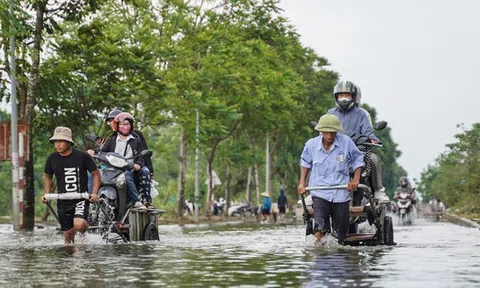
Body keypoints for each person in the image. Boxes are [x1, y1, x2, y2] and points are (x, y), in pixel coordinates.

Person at [298, 114, 364, 244]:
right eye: (327, 133)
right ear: (321, 131)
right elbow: (305, 163)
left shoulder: (346, 142)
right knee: (320, 227)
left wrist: (355, 179)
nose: (330, 136)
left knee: (340, 235)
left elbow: (358, 159)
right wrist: (302, 183)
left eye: (333, 133)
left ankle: (338, 253)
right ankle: (319, 253)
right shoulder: (311, 145)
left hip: (340, 194)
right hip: (319, 192)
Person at [327, 80, 389, 203]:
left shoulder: (362, 114)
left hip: (358, 151)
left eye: (347, 95)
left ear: (354, 97)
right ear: (336, 97)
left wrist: (374, 139)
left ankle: (378, 191)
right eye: (341, 96)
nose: (344, 99)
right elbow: (324, 131)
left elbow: (368, 131)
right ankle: (312, 192)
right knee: (315, 161)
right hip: (335, 151)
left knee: (374, 159)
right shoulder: (330, 113)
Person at [41, 126, 100, 244]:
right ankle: (69, 261)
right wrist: (47, 194)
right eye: (55, 142)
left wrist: (94, 193)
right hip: (63, 201)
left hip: (80, 199)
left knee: (79, 224)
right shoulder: (52, 158)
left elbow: (96, 174)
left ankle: (84, 236)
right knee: (68, 236)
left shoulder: (82, 156)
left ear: (69, 142)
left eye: (61, 141)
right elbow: (47, 176)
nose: (57, 144)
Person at [88, 112, 147, 209]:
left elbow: (141, 156)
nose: (124, 127)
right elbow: (102, 151)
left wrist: (138, 165)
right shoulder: (111, 139)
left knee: (127, 176)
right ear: (117, 126)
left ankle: (135, 201)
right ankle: (91, 198)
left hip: (127, 168)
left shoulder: (136, 140)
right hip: (111, 167)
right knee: (91, 173)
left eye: (127, 124)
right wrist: (93, 152)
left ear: (131, 126)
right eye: (122, 124)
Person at [104, 109, 154, 205]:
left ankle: (145, 201)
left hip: (132, 166)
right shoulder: (111, 138)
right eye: (109, 121)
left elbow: (143, 153)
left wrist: (149, 171)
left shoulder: (136, 136)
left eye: (113, 120)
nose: (111, 123)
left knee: (145, 171)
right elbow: (103, 151)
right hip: (114, 167)